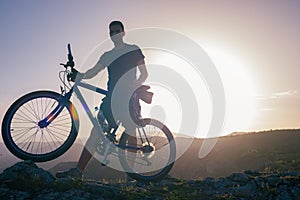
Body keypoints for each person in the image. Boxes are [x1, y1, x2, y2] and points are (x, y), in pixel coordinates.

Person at [56, 20, 148, 179]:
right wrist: (80, 76)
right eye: (111, 32)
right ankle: (78, 171)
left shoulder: (133, 50)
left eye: (117, 31)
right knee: (96, 132)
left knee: (131, 133)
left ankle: (133, 177)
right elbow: (93, 72)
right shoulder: (108, 55)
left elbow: (144, 74)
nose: (114, 34)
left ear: (123, 32)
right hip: (111, 98)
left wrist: (135, 85)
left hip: (128, 97)